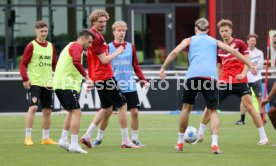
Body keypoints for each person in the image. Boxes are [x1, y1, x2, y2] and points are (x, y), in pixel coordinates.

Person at [159, 18, 254, 154]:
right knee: (213, 110)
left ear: (195, 29)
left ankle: (180, 143)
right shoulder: (214, 41)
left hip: (193, 76)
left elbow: (174, 52)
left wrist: (163, 68)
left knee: (186, 108)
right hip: (210, 78)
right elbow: (234, 52)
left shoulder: (189, 40)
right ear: (208, 29)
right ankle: (214, 144)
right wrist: (250, 65)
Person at [195, 19, 269, 146]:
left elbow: (247, 61)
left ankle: (264, 137)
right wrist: (217, 80)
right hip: (225, 82)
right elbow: (219, 67)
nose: (224, 33)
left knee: (251, 108)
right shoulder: (218, 47)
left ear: (231, 31)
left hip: (240, 82)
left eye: (226, 31)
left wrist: (244, 74)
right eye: (222, 31)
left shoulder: (239, 44)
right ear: (219, 32)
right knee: (209, 106)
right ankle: (200, 135)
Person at [80, 10, 139, 148]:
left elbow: (90, 56)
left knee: (106, 108)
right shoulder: (96, 37)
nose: (103, 24)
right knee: (123, 104)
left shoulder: (93, 36)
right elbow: (105, 60)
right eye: (100, 22)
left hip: (97, 76)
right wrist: (118, 52)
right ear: (93, 21)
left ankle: (87, 135)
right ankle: (125, 141)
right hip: (105, 76)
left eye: (105, 21)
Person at [90, 21, 149, 148]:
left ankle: (134, 139)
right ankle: (99, 137)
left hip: (129, 84)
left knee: (135, 112)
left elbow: (135, 65)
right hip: (114, 84)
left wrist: (143, 79)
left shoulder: (130, 46)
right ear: (114, 32)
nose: (121, 32)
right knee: (107, 112)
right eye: (119, 30)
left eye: (123, 30)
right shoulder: (108, 47)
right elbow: (102, 62)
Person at [53, 29, 94, 154]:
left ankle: (64, 139)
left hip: (62, 84)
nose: (90, 45)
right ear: (83, 39)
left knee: (71, 112)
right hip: (66, 85)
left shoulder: (71, 46)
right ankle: (74, 144)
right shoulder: (76, 46)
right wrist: (86, 76)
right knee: (77, 113)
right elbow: (76, 62)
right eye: (89, 42)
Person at [20, 20, 57, 146]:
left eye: (46, 31)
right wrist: (25, 78)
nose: (44, 33)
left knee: (47, 111)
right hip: (35, 82)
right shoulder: (31, 46)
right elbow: (23, 63)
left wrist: (59, 76)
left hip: (48, 83)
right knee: (34, 108)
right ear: (36, 31)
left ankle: (45, 138)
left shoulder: (51, 46)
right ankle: (28, 137)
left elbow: (54, 65)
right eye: (41, 31)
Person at [236, 34, 265, 125]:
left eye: (254, 41)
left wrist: (255, 68)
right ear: (247, 41)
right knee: (244, 99)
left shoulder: (259, 53)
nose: (253, 42)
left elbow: (260, 64)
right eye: (251, 40)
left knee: (259, 98)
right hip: (246, 78)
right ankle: (242, 119)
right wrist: (249, 68)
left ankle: (262, 119)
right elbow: (241, 63)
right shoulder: (243, 52)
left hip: (257, 78)